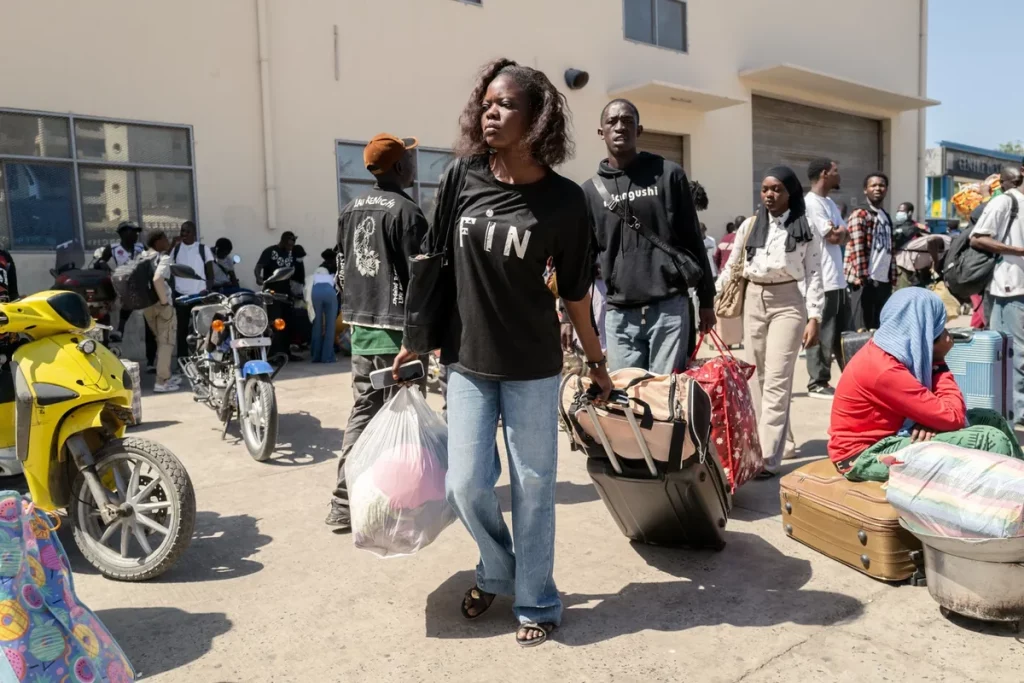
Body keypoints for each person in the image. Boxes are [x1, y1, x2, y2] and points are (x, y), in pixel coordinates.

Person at [393, 59, 611, 647]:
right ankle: (498, 569)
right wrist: (416, 340)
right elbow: (432, 263)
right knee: (465, 484)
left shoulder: (565, 201)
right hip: (466, 358)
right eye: (486, 103)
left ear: (536, 118)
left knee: (534, 486)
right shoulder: (462, 178)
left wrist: (596, 363)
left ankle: (536, 600)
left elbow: (575, 293)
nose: (491, 112)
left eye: (506, 104)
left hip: (533, 366)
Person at [326, 134, 429, 528]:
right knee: (406, 420)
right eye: (411, 158)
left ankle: (342, 504)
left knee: (364, 414)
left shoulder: (349, 209)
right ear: (400, 167)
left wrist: (353, 317)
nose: (415, 164)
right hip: (399, 337)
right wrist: (419, 337)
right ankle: (403, 499)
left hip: (362, 331)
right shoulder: (407, 212)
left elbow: (341, 269)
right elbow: (420, 280)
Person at [829, 288, 1022, 482]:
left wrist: (933, 421)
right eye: (939, 327)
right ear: (922, 328)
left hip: (894, 436)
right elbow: (953, 417)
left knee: (991, 418)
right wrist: (939, 363)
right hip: (865, 456)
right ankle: (1007, 495)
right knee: (989, 439)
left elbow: (942, 414)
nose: (947, 334)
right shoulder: (884, 368)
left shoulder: (893, 350)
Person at [580, 98, 716, 375]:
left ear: (639, 130)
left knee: (664, 393)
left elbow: (692, 239)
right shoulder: (590, 191)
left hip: (669, 307)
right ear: (601, 132)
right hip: (619, 314)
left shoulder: (668, 175)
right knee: (626, 394)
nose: (620, 127)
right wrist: (570, 317)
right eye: (612, 122)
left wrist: (707, 300)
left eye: (628, 121)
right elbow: (582, 259)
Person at [717, 166, 824, 478]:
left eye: (777, 189)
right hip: (753, 299)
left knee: (777, 380)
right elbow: (732, 265)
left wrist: (815, 316)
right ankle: (782, 441)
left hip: (788, 303)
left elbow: (815, 274)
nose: (769, 195)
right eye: (765, 189)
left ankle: (766, 459)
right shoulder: (750, 225)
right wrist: (711, 301)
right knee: (757, 380)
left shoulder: (806, 227)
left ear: (790, 192)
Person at [970, 164, 1024, 424]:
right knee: (1014, 354)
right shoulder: (1005, 202)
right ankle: (1015, 414)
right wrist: (1020, 251)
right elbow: (978, 238)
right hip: (1009, 289)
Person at [803, 158, 849, 399]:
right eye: (835, 171)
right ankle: (817, 382)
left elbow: (844, 234)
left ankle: (851, 380)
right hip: (822, 280)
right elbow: (833, 237)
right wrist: (839, 232)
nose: (839, 175)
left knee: (843, 334)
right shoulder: (811, 203)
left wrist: (840, 231)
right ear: (824, 174)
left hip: (838, 280)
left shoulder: (829, 203)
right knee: (822, 333)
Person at [844, 173, 895, 331]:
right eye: (873, 185)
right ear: (865, 190)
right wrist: (861, 275)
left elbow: (890, 249)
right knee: (861, 329)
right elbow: (857, 246)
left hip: (882, 280)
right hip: (864, 280)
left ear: (886, 189)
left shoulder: (885, 216)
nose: (878, 188)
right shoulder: (860, 214)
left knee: (878, 328)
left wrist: (891, 277)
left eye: (881, 185)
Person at [105, 222, 157, 370]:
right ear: (122, 233)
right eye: (132, 232)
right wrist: (111, 271)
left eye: (136, 232)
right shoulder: (113, 248)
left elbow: (151, 262)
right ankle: (119, 331)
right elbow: (99, 262)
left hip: (142, 288)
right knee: (127, 300)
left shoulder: (141, 247)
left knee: (150, 325)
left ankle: (151, 362)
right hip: (124, 288)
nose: (135, 235)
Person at [141, 231, 180, 393]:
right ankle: (162, 382)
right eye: (165, 239)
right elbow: (157, 279)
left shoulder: (141, 257)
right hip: (161, 305)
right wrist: (164, 302)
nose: (167, 241)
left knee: (160, 341)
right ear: (157, 242)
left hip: (147, 306)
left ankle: (166, 376)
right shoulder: (162, 257)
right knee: (166, 343)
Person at [171, 220, 214, 360]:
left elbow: (210, 273)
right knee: (182, 329)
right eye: (182, 231)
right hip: (182, 295)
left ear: (194, 233)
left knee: (202, 328)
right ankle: (182, 359)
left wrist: (208, 290)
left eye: (187, 231)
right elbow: (168, 269)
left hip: (199, 295)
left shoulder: (203, 249)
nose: (184, 233)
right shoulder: (176, 249)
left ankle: (202, 357)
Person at [256, 231, 299, 359]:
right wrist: (258, 277)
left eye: (292, 245)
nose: (290, 248)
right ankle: (274, 354)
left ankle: (286, 353)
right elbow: (258, 267)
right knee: (275, 323)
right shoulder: (270, 251)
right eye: (289, 245)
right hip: (272, 293)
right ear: (283, 241)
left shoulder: (290, 253)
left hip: (286, 293)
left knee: (288, 322)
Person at [306, 248, 339, 364]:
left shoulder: (320, 268)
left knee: (317, 324)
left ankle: (316, 356)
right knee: (330, 326)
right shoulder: (336, 267)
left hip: (315, 292)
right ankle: (327, 357)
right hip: (329, 292)